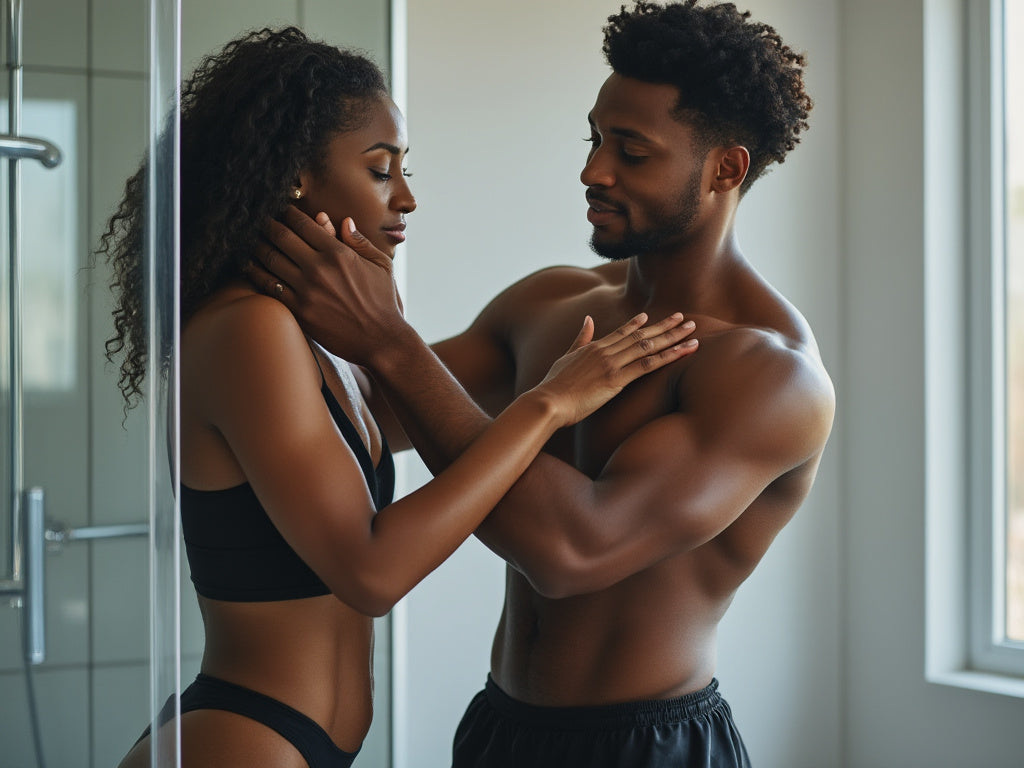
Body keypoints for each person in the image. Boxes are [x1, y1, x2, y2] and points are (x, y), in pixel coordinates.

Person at [97, 26, 697, 768]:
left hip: (295, 741)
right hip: (244, 741)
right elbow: (371, 572)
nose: (407, 197)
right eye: (383, 170)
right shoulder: (248, 329)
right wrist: (546, 406)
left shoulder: (306, 334)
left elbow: (418, 407)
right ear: (292, 176)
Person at [254, 1, 835, 765]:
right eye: (595, 139)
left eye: (632, 151)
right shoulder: (551, 304)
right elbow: (367, 415)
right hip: (502, 727)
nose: (593, 170)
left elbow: (570, 552)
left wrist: (390, 341)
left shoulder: (769, 375)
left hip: (645, 746)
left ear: (726, 168)